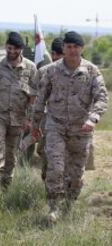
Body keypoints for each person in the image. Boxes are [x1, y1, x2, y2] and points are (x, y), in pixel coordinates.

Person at [31, 31, 108, 223]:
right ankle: (54, 208)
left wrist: (93, 118)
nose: (72, 50)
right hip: (56, 127)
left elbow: (101, 98)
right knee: (55, 168)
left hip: (81, 130)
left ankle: (68, 205)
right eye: (68, 47)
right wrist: (35, 124)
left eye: (76, 47)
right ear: (63, 49)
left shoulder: (91, 71)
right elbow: (40, 100)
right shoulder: (51, 71)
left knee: (76, 175)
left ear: (81, 49)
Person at [0, 31, 37, 200]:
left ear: (21, 50)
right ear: (6, 47)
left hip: (18, 117)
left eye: (16, 49)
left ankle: (5, 186)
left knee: (12, 153)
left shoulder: (30, 68)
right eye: (9, 48)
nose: (12, 52)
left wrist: (30, 119)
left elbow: (33, 97)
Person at [36, 37, 64, 181]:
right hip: (48, 121)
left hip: (68, 122)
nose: (57, 58)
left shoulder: (75, 71)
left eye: (61, 54)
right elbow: (35, 99)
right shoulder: (43, 72)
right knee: (46, 151)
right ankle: (48, 179)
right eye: (55, 54)